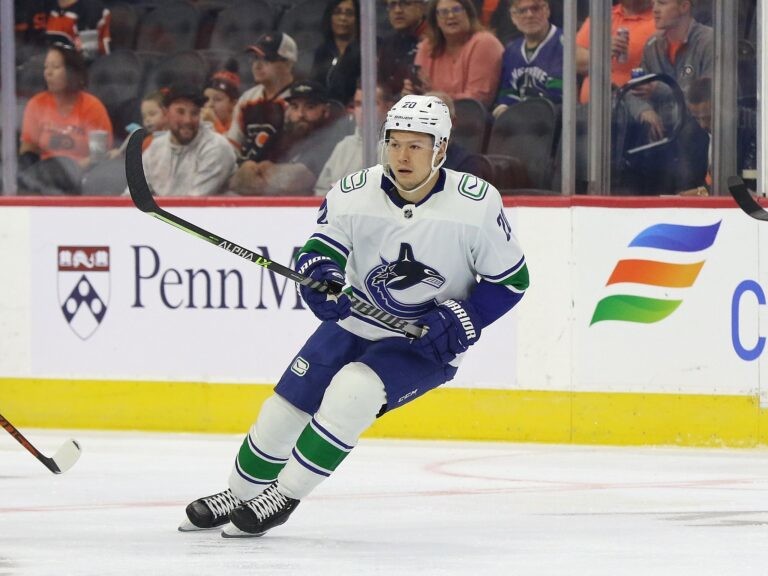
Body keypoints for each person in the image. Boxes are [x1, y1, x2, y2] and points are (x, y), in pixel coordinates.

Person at [178, 94, 529, 537]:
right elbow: (322, 249)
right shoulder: (353, 191)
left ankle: (283, 496)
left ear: (440, 148)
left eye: (416, 146)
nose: (402, 156)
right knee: (281, 412)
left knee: (353, 392)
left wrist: (466, 315)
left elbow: (511, 281)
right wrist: (319, 276)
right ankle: (240, 493)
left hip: (420, 342)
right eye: (394, 143)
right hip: (353, 324)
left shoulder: (476, 204)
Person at [18, 42, 113, 195]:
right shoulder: (36, 104)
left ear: (72, 72)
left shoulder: (92, 106)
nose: (48, 73)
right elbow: (28, 152)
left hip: (85, 180)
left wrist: (73, 169)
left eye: (55, 67)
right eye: (46, 67)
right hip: (45, 182)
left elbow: (100, 157)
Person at [229, 80, 348, 196]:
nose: (300, 114)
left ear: (325, 110)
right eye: (295, 107)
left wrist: (262, 171)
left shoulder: (330, 141)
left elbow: (296, 182)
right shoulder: (280, 136)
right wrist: (252, 170)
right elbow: (237, 179)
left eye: (310, 107)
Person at [140, 84, 236, 197]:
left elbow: (192, 202)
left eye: (194, 113)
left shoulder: (217, 147)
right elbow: (133, 195)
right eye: (180, 112)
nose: (187, 120)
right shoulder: (155, 148)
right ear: (166, 113)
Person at [407, 0, 504, 108]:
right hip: (430, 113)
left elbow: (477, 100)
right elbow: (419, 90)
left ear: (468, 14)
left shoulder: (485, 43)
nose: (451, 16)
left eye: (456, 10)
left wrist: (434, 98)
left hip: (471, 116)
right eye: (444, 12)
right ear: (436, 20)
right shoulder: (427, 47)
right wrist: (411, 93)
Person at [227, 31, 297, 165]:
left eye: (267, 59)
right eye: (255, 58)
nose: (257, 65)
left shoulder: (298, 102)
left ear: (288, 64)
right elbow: (232, 146)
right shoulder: (247, 98)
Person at [314, 82, 394, 195]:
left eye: (371, 103)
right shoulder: (343, 146)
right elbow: (321, 190)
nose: (363, 110)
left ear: (389, 108)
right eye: (358, 104)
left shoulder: (397, 148)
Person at [493, 0, 563, 118]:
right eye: (522, 11)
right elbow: (507, 92)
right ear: (513, 17)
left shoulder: (564, 44)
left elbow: (558, 95)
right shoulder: (511, 50)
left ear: (547, 10)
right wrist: (503, 108)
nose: (529, 15)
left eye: (535, 8)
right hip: (518, 122)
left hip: (553, 120)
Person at [575, 0, 655, 103]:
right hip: (591, 108)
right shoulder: (602, 16)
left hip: (633, 107)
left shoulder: (659, 19)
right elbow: (573, 60)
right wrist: (601, 52)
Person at [311, 0, 361, 106]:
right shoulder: (322, 52)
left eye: (349, 13)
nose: (343, 18)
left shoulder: (367, 49)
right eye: (337, 12)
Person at [377, 0, 428, 97]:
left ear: (422, 7)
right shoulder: (388, 43)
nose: (398, 10)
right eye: (392, 4)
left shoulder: (434, 41)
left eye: (406, 3)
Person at [45, 0, 112, 60]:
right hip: (52, 62)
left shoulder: (92, 9)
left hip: (87, 65)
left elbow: (88, 57)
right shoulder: (47, 7)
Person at [202, 70, 241, 135]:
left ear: (233, 104)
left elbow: (230, 141)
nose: (209, 104)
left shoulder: (242, 127)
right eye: (206, 99)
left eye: (218, 99)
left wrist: (215, 123)